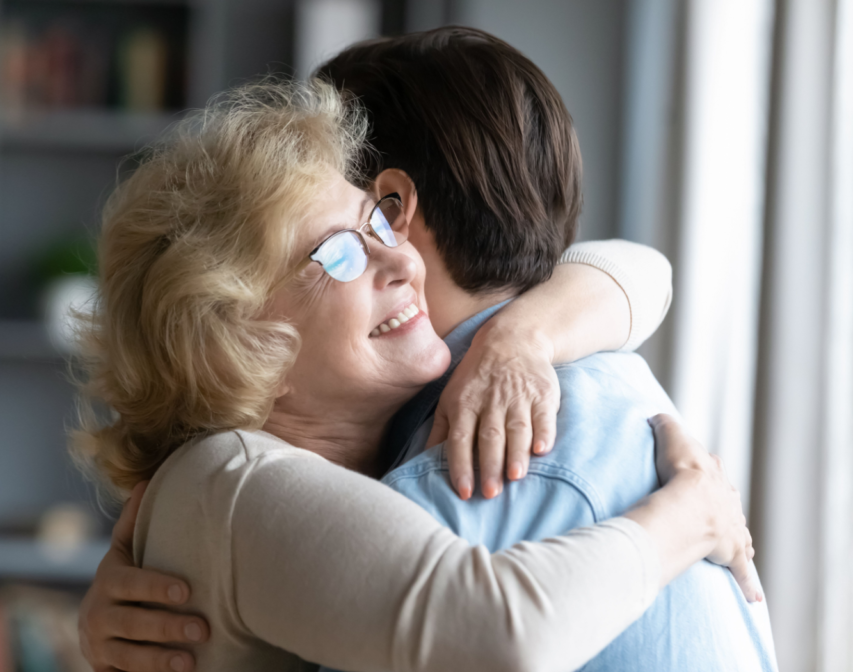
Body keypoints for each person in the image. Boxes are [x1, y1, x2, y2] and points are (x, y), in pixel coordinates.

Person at [72, 76, 754, 672]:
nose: (400, 261)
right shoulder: (235, 477)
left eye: (377, 221)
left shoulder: (249, 478)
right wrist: (689, 517)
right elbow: (496, 637)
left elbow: (639, 271)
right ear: (236, 341)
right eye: (337, 254)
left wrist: (520, 337)